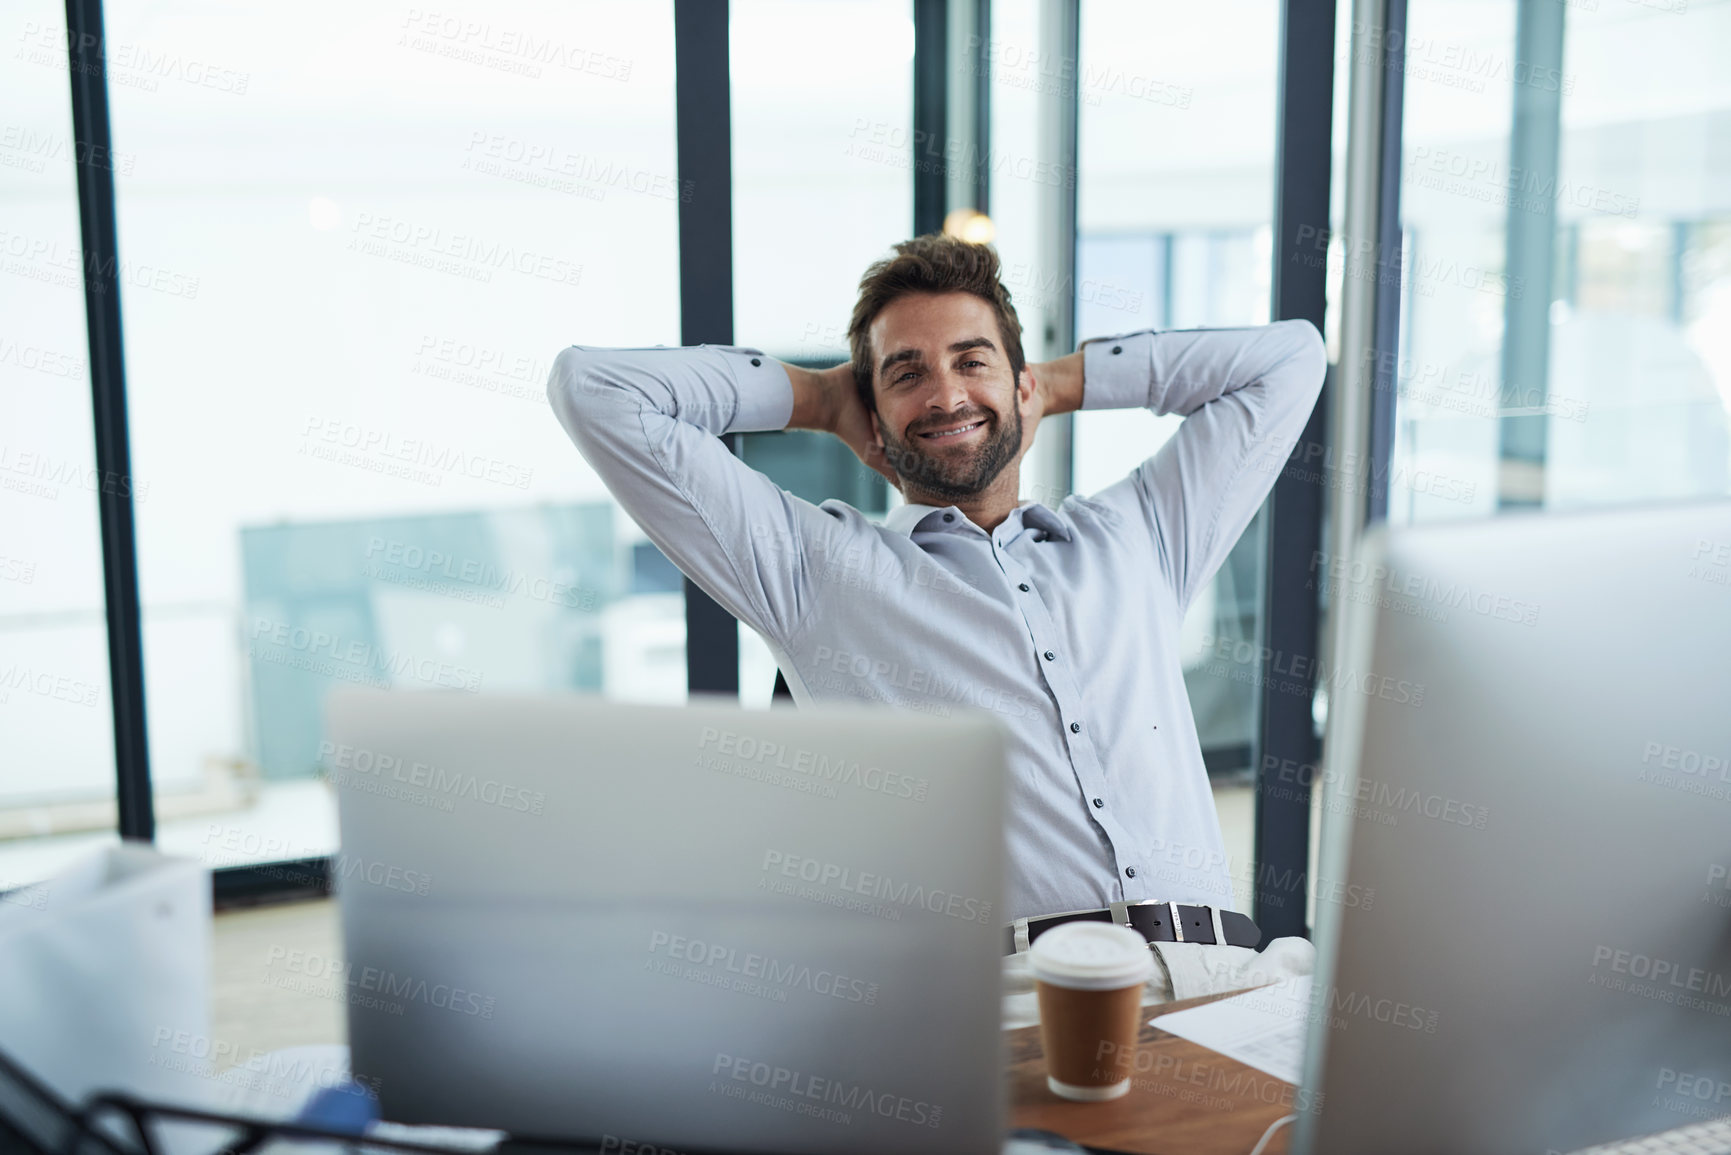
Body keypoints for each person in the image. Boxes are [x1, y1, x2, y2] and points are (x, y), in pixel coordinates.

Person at [547, 234, 1325, 977]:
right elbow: (596, 389)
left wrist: (1056, 382)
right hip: (1015, 1006)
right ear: (873, 423)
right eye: (905, 373)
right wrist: (817, 396)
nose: (946, 393)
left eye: (972, 361)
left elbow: (1289, 359)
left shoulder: (1140, 536)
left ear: (1020, 386)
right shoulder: (814, 571)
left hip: (1224, 977)